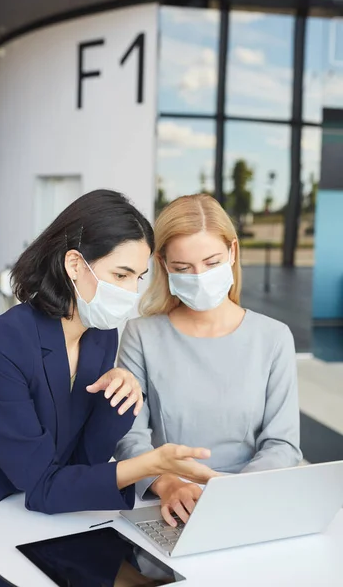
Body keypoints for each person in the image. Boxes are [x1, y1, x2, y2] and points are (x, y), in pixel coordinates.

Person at [0, 190, 214, 587]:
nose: (130, 292)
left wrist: (120, 396)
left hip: (47, 521)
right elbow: (43, 485)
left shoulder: (99, 335)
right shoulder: (1, 346)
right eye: (120, 275)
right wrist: (153, 464)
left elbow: (82, 460)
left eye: (138, 279)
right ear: (74, 264)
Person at [115, 193, 302, 527]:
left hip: (249, 501)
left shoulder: (273, 337)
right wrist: (167, 483)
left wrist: (230, 494)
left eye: (212, 263)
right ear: (163, 265)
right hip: (169, 504)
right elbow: (129, 437)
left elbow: (282, 443)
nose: (199, 276)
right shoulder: (141, 335)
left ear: (232, 253)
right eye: (183, 268)